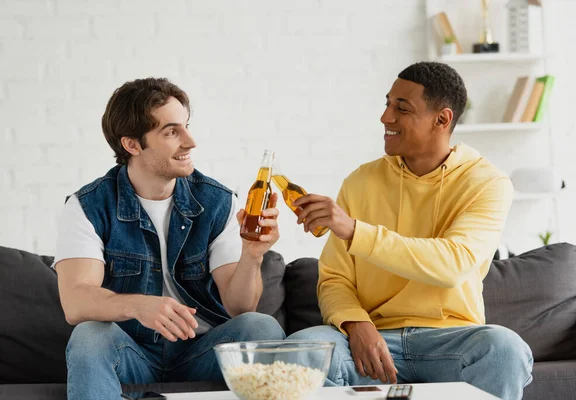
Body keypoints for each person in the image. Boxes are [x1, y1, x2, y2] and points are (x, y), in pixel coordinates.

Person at [286, 62, 533, 400]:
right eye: (387, 104)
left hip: (451, 340)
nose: (385, 117)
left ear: (442, 119)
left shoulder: (487, 183)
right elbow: (335, 279)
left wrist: (356, 230)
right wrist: (357, 325)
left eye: (401, 108)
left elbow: (452, 265)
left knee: (505, 349)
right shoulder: (360, 182)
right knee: (300, 352)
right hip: (373, 337)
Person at [54, 78, 285, 400]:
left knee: (261, 326)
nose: (190, 142)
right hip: (132, 353)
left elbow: (240, 307)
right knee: (89, 335)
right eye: (172, 131)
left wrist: (253, 255)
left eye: (187, 126)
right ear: (132, 145)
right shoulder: (88, 206)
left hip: (204, 353)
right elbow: (76, 303)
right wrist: (138, 305)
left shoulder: (217, 201)